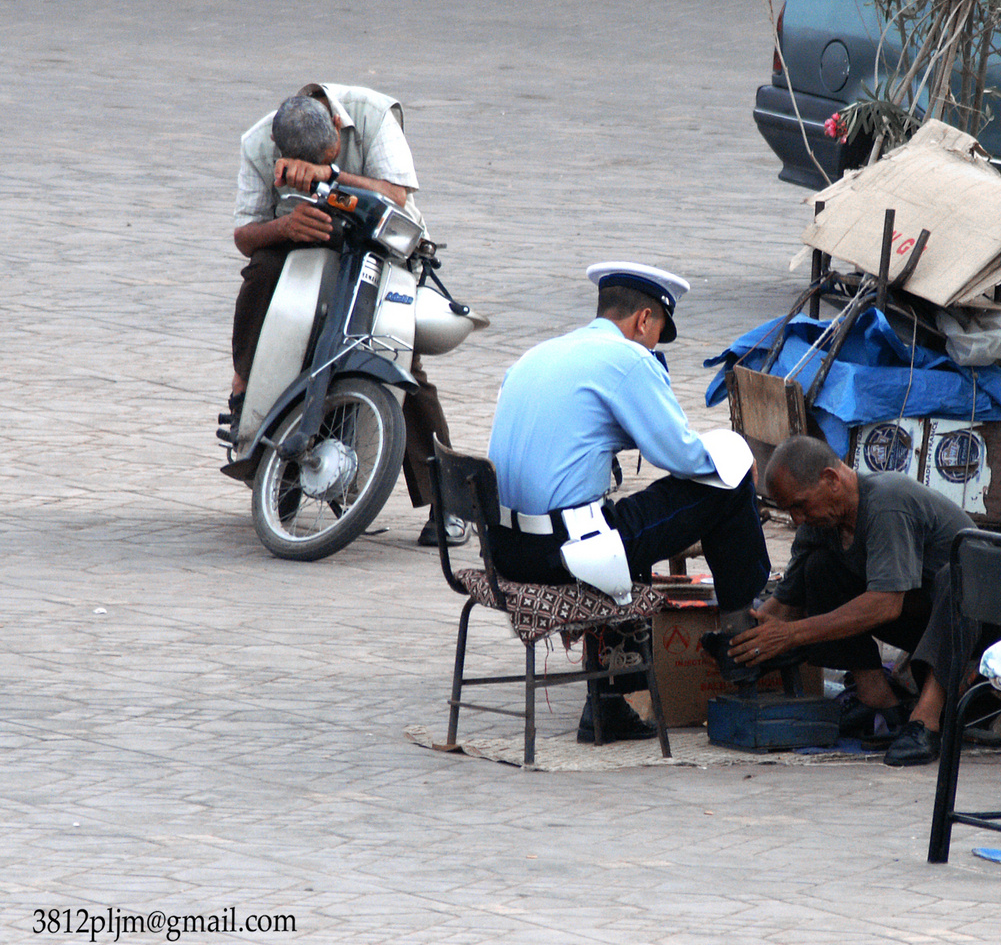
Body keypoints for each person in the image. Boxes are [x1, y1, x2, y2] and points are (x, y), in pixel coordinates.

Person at [486, 261, 771, 744]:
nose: (655, 346)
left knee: (619, 516)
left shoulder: (539, 354)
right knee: (731, 480)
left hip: (505, 548)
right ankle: (743, 649)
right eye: (657, 333)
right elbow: (678, 454)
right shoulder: (627, 359)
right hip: (562, 551)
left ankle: (613, 702)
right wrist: (741, 459)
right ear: (643, 319)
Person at [225, 82, 464, 548]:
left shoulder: (373, 116)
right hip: (302, 241)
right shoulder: (257, 142)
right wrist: (284, 226)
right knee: (261, 277)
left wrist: (330, 175)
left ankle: (448, 502)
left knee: (401, 359)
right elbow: (244, 234)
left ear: (336, 123)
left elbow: (396, 193)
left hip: (383, 242)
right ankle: (244, 392)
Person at [728, 434, 977, 766]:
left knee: (955, 579)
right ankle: (877, 700)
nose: (797, 520)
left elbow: (885, 604)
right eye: (789, 511)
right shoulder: (822, 521)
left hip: (978, 622)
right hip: (925, 621)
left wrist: (790, 635)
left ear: (831, 480)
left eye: (799, 506)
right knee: (818, 569)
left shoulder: (888, 501)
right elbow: (786, 602)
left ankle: (926, 721)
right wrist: (745, 639)